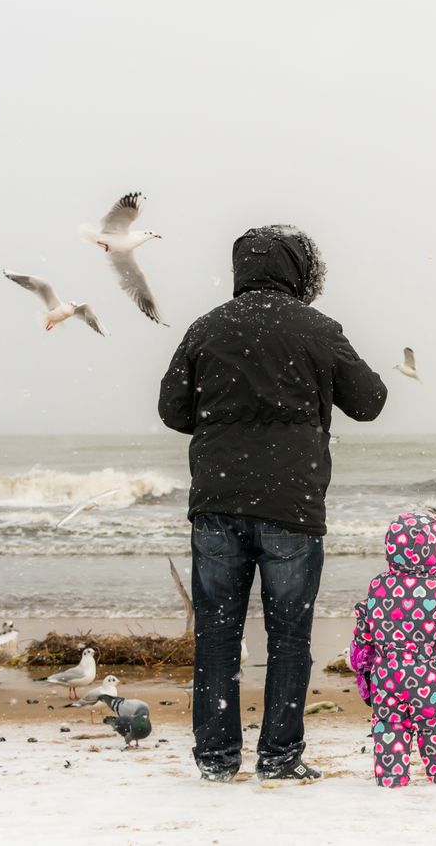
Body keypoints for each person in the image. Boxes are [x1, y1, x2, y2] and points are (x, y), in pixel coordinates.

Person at [158, 225, 387, 782]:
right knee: (289, 638)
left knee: (216, 634)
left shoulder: (207, 328)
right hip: (291, 506)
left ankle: (216, 759)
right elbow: (371, 400)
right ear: (297, 271)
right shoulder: (317, 329)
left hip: (217, 504)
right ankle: (279, 758)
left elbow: (173, 411)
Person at [349, 507, 436, 787]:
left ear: (391, 547)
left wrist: (364, 676)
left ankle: (391, 779)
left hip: (387, 676)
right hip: (428, 677)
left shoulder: (377, 587)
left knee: (388, 728)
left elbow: (363, 638)